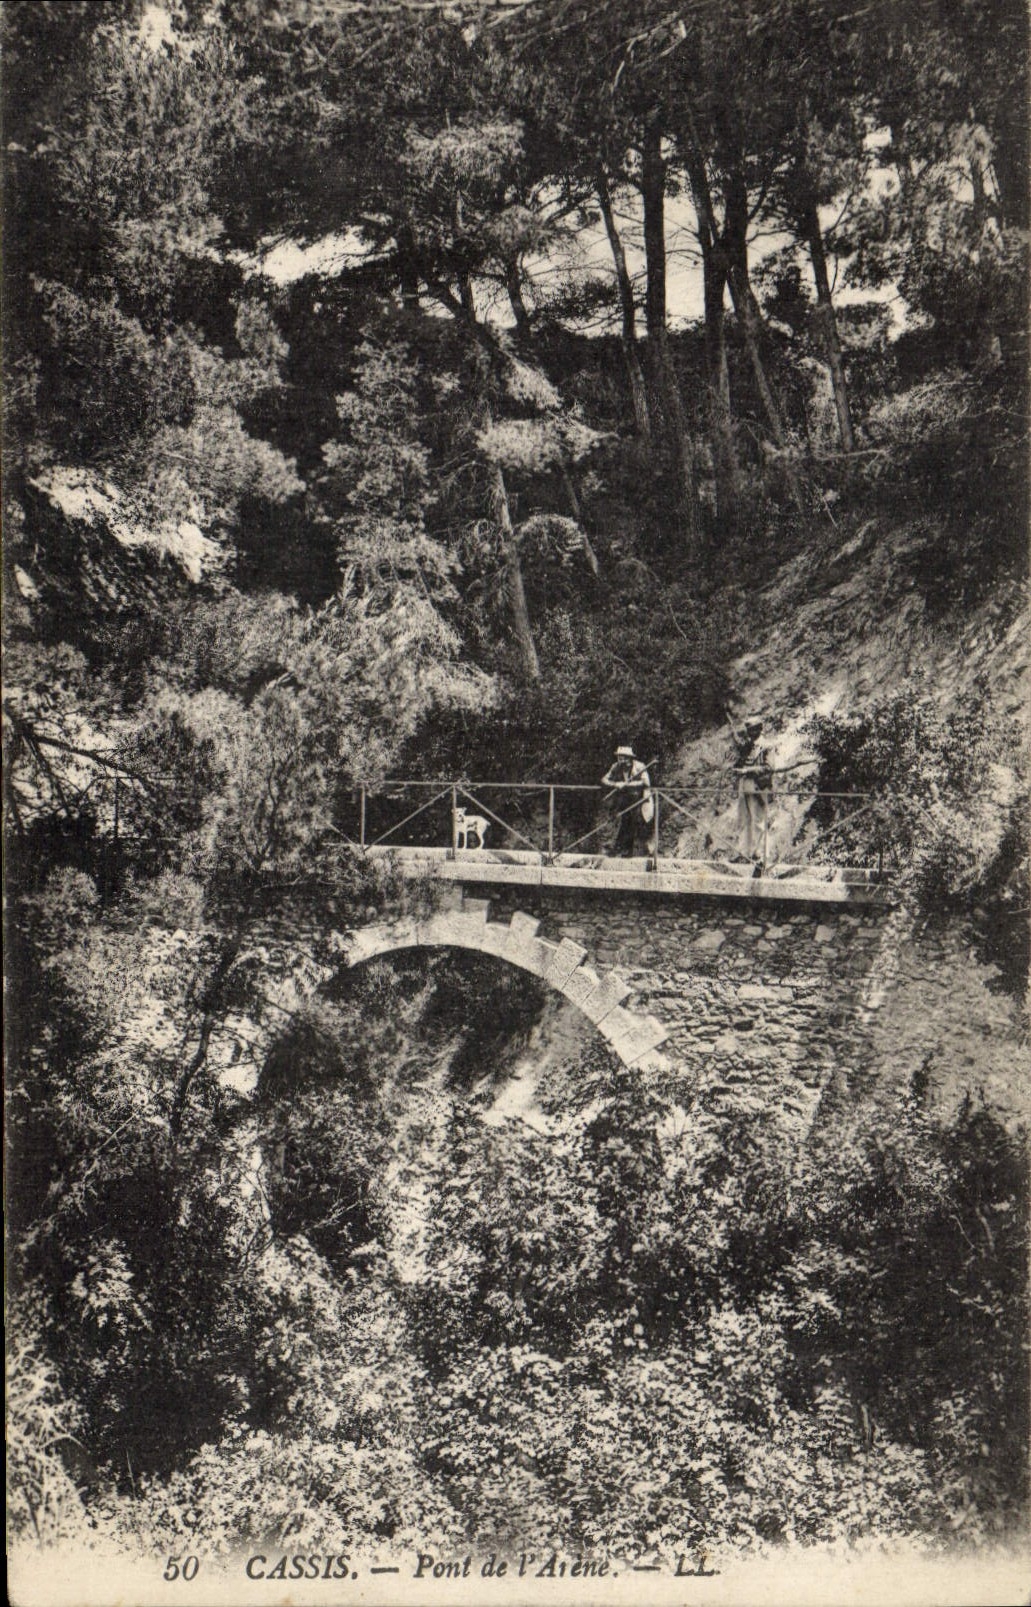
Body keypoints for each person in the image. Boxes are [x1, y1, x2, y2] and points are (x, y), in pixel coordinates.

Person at [730, 716, 772, 871]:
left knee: (758, 822)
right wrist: (737, 768)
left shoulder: (766, 746)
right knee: (744, 820)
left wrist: (747, 770)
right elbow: (741, 761)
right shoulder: (748, 746)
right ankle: (745, 853)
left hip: (758, 786)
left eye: (753, 729)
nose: (750, 733)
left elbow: (769, 767)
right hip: (744, 785)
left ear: (760, 729)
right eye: (749, 730)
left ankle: (761, 856)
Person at [600, 744, 653, 857]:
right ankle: (622, 851)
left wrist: (627, 784)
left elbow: (645, 783)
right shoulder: (616, 767)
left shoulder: (639, 766)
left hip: (640, 799)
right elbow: (604, 779)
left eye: (623, 757)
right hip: (625, 799)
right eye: (619, 757)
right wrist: (615, 784)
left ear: (630, 758)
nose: (621, 760)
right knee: (624, 822)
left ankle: (644, 851)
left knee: (638, 823)